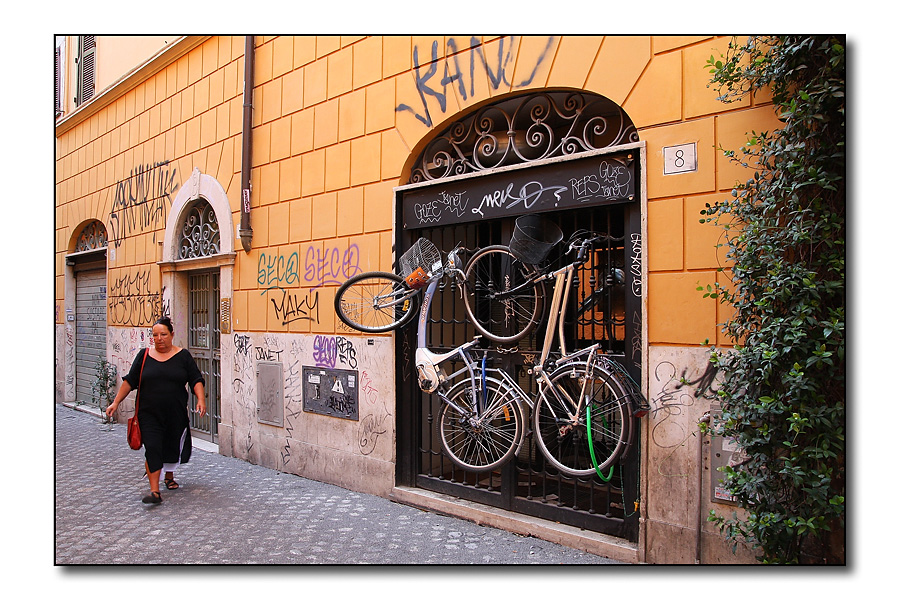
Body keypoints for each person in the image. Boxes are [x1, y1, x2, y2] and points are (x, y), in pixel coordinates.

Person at [106, 317, 206, 504]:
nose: (159, 338)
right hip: (148, 413)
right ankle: (155, 491)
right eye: (155, 335)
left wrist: (201, 399)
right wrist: (115, 402)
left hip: (175, 413)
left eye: (163, 334)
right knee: (152, 447)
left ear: (172, 335)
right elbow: (130, 381)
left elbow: (196, 379)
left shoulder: (183, 356)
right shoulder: (144, 356)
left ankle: (169, 476)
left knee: (171, 445)